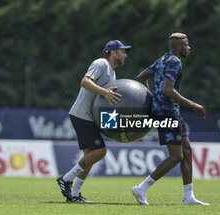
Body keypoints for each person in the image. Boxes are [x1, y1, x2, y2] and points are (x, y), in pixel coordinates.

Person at [132, 33, 209, 205]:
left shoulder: (162, 59)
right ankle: (141, 188)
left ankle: (188, 196)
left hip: (169, 112)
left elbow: (141, 77)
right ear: (178, 47)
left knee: (187, 151)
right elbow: (168, 90)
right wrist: (193, 104)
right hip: (167, 114)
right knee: (176, 157)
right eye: (187, 45)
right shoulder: (174, 61)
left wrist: (152, 100)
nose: (189, 47)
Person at [57, 40, 131, 202]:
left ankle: (75, 194)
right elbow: (85, 81)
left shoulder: (112, 72)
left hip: (88, 116)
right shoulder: (101, 63)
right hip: (82, 114)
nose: (125, 55)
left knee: (89, 156)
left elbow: (105, 102)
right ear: (113, 52)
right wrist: (104, 92)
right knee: (100, 152)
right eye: (122, 51)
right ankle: (66, 179)